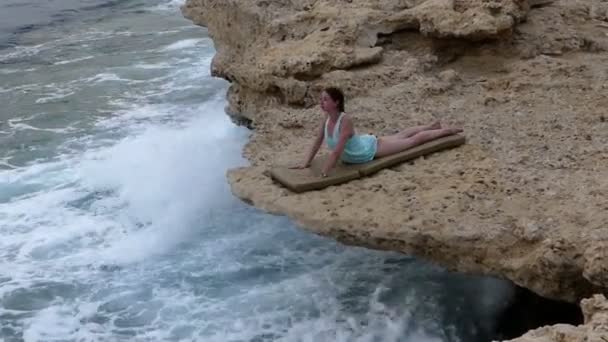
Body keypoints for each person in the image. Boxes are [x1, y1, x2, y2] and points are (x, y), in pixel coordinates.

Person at [291, 87, 463, 177]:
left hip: (369, 151)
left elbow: (336, 152)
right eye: (321, 99)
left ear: (336, 103)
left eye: (325, 99)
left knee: (412, 142)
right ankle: (431, 126)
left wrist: (324, 172)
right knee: (400, 135)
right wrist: (306, 162)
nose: (321, 102)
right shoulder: (326, 120)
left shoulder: (345, 121)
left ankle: (447, 131)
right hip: (364, 144)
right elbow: (316, 143)